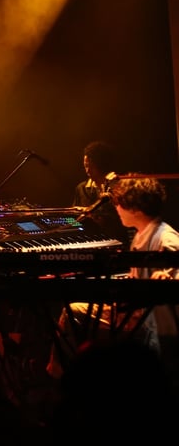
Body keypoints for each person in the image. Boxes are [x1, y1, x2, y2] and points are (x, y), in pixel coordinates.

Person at [47, 175, 179, 378]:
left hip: (149, 322)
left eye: (119, 204)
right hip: (134, 311)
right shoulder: (142, 233)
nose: (116, 209)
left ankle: (62, 376)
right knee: (78, 310)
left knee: (73, 312)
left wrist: (166, 277)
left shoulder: (165, 236)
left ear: (135, 209)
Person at [73, 140, 130, 245]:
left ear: (101, 165)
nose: (87, 170)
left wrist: (97, 217)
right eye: (85, 166)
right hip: (90, 241)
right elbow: (74, 221)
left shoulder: (118, 188)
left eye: (91, 166)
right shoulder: (81, 188)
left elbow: (126, 220)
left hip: (117, 241)